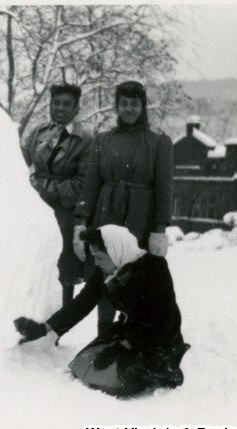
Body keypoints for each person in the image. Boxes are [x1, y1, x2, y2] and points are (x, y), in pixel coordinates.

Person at [13, 225, 189, 398]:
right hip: (128, 331)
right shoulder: (107, 269)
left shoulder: (154, 267)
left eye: (99, 257)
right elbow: (82, 303)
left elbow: (162, 321)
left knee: (119, 381)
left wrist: (122, 347)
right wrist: (43, 328)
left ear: (115, 251)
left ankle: (167, 370)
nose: (96, 263)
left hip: (158, 338)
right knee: (82, 367)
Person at [72, 80, 173, 335]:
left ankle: (131, 336)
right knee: (105, 273)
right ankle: (104, 335)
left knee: (134, 277)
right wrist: (82, 220)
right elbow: (91, 184)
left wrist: (159, 229)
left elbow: (164, 189)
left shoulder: (158, 143)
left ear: (143, 106)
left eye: (134, 104)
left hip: (140, 216)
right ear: (117, 106)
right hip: (106, 214)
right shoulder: (102, 140)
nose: (129, 109)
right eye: (124, 104)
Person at [21, 83, 93, 306]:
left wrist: (52, 192)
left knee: (62, 243)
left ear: (75, 108)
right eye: (57, 103)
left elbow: (84, 180)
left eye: (67, 104)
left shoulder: (86, 140)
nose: (60, 108)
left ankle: (62, 306)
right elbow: (19, 159)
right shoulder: (38, 132)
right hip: (35, 199)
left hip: (64, 205)